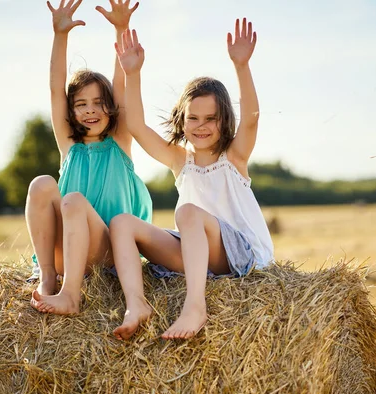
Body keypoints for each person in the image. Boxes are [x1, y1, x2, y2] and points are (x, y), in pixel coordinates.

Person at [109, 19, 274, 340]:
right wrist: (133, 74)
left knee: (186, 213)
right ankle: (137, 304)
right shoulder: (179, 160)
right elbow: (138, 127)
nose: (201, 126)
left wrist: (242, 66)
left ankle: (195, 306)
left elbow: (252, 121)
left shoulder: (234, 157)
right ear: (182, 120)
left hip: (241, 254)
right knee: (121, 224)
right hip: (196, 253)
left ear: (224, 119)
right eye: (193, 118)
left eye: (210, 118)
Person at [28, 0, 152, 315]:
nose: (91, 110)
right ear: (71, 110)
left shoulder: (119, 142)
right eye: (81, 103)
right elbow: (56, 89)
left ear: (110, 107)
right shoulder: (69, 146)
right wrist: (60, 35)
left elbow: (121, 85)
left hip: (108, 252)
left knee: (73, 201)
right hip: (66, 253)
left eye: (99, 102)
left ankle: (72, 295)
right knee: (42, 184)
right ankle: (47, 277)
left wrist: (121, 28)